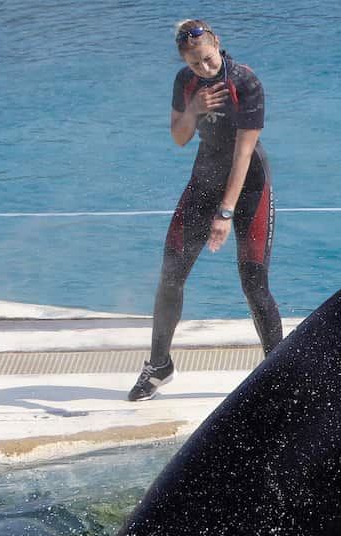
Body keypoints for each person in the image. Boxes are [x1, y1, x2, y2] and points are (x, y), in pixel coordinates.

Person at [128, 19, 282, 401]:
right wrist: (193, 108)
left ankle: (278, 369)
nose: (204, 69)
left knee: (253, 282)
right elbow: (180, 138)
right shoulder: (185, 82)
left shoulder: (245, 82)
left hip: (248, 186)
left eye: (208, 60)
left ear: (217, 44)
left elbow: (243, 153)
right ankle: (159, 365)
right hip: (203, 179)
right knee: (171, 273)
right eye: (196, 64)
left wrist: (225, 214)